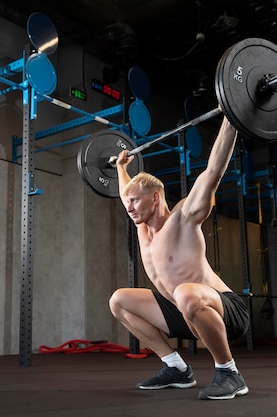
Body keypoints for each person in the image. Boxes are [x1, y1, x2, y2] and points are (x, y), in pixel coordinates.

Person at [109, 112, 250, 400]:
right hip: (182, 311)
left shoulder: (184, 218)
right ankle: (176, 368)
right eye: (128, 201)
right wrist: (121, 167)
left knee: (186, 292)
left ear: (156, 198)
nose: (129, 207)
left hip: (226, 311)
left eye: (135, 201)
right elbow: (127, 191)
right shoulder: (142, 228)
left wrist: (233, 117)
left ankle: (229, 372)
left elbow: (213, 171)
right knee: (119, 301)